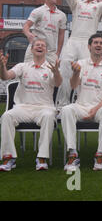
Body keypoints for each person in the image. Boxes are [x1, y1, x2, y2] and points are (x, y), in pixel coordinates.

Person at [60, 34, 102, 171]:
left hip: (100, 107)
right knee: (67, 109)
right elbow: (74, 86)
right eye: (95, 43)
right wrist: (75, 73)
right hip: (81, 106)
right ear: (89, 46)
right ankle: (73, 153)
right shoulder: (80, 63)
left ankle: (100, 155)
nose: (98, 45)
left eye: (101, 43)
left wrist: (96, 109)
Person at [0, 39, 61, 171]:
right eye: (37, 45)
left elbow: (58, 83)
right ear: (32, 49)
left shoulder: (51, 67)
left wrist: (56, 72)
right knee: (6, 116)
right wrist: (2, 66)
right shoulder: (23, 66)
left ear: (45, 50)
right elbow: (6, 77)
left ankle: (42, 158)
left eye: (43, 45)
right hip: (23, 108)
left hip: (44, 108)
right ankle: (8, 157)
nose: (40, 46)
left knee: (49, 116)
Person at [23, 0, 66, 64]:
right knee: (28, 73)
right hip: (35, 49)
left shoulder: (62, 15)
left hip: (50, 53)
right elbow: (26, 25)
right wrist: (28, 34)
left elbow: (61, 35)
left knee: (52, 76)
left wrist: (58, 53)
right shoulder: (38, 11)